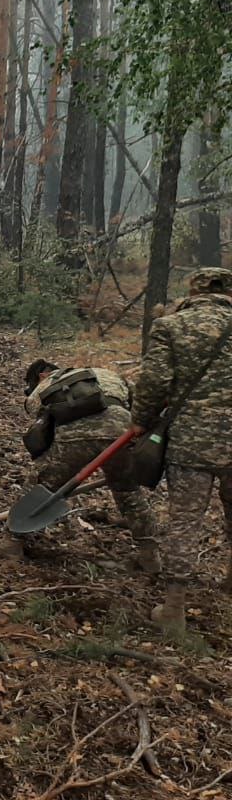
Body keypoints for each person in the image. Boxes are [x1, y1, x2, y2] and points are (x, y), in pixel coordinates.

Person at [0, 361, 159, 571]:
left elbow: (41, 426)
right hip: (122, 433)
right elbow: (141, 402)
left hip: (74, 438)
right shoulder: (107, 373)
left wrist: (48, 462)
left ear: (41, 375)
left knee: (40, 483)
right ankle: (149, 554)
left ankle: (13, 541)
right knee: (128, 492)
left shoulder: (45, 384)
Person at [132, 267, 232, 632]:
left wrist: (140, 421)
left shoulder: (171, 327)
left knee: (185, 521)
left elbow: (154, 380)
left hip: (192, 442)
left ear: (192, 292)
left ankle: (174, 610)